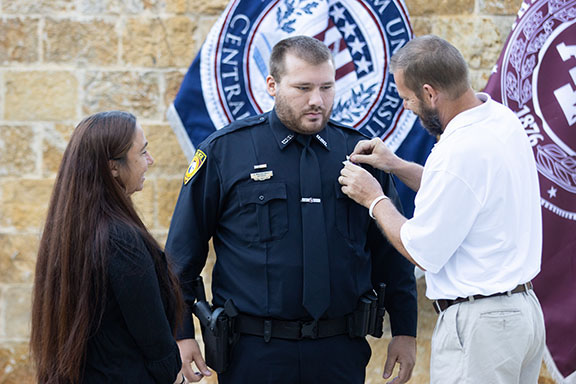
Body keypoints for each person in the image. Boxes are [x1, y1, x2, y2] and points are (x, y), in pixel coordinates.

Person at [166, 36, 417, 384]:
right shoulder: (226, 152)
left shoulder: (359, 153)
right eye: (302, 88)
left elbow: (389, 253)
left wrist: (405, 330)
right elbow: (182, 256)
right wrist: (181, 334)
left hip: (339, 351)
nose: (317, 100)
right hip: (253, 354)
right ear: (272, 85)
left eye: (326, 87)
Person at [339, 35, 546, 384]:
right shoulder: (500, 119)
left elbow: (422, 250)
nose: (407, 107)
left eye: (407, 98)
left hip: (481, 330)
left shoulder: (458, 151)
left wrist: (373, 198)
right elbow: (462, 193)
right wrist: (396, 165)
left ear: (430, 93)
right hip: (522, 316)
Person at [30, 111, 186, 384]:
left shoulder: (71, 230)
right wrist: (175, 375)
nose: (151, 161)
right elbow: (155, 341)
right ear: (113, 166)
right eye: (143, 152)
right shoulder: (120, 239)